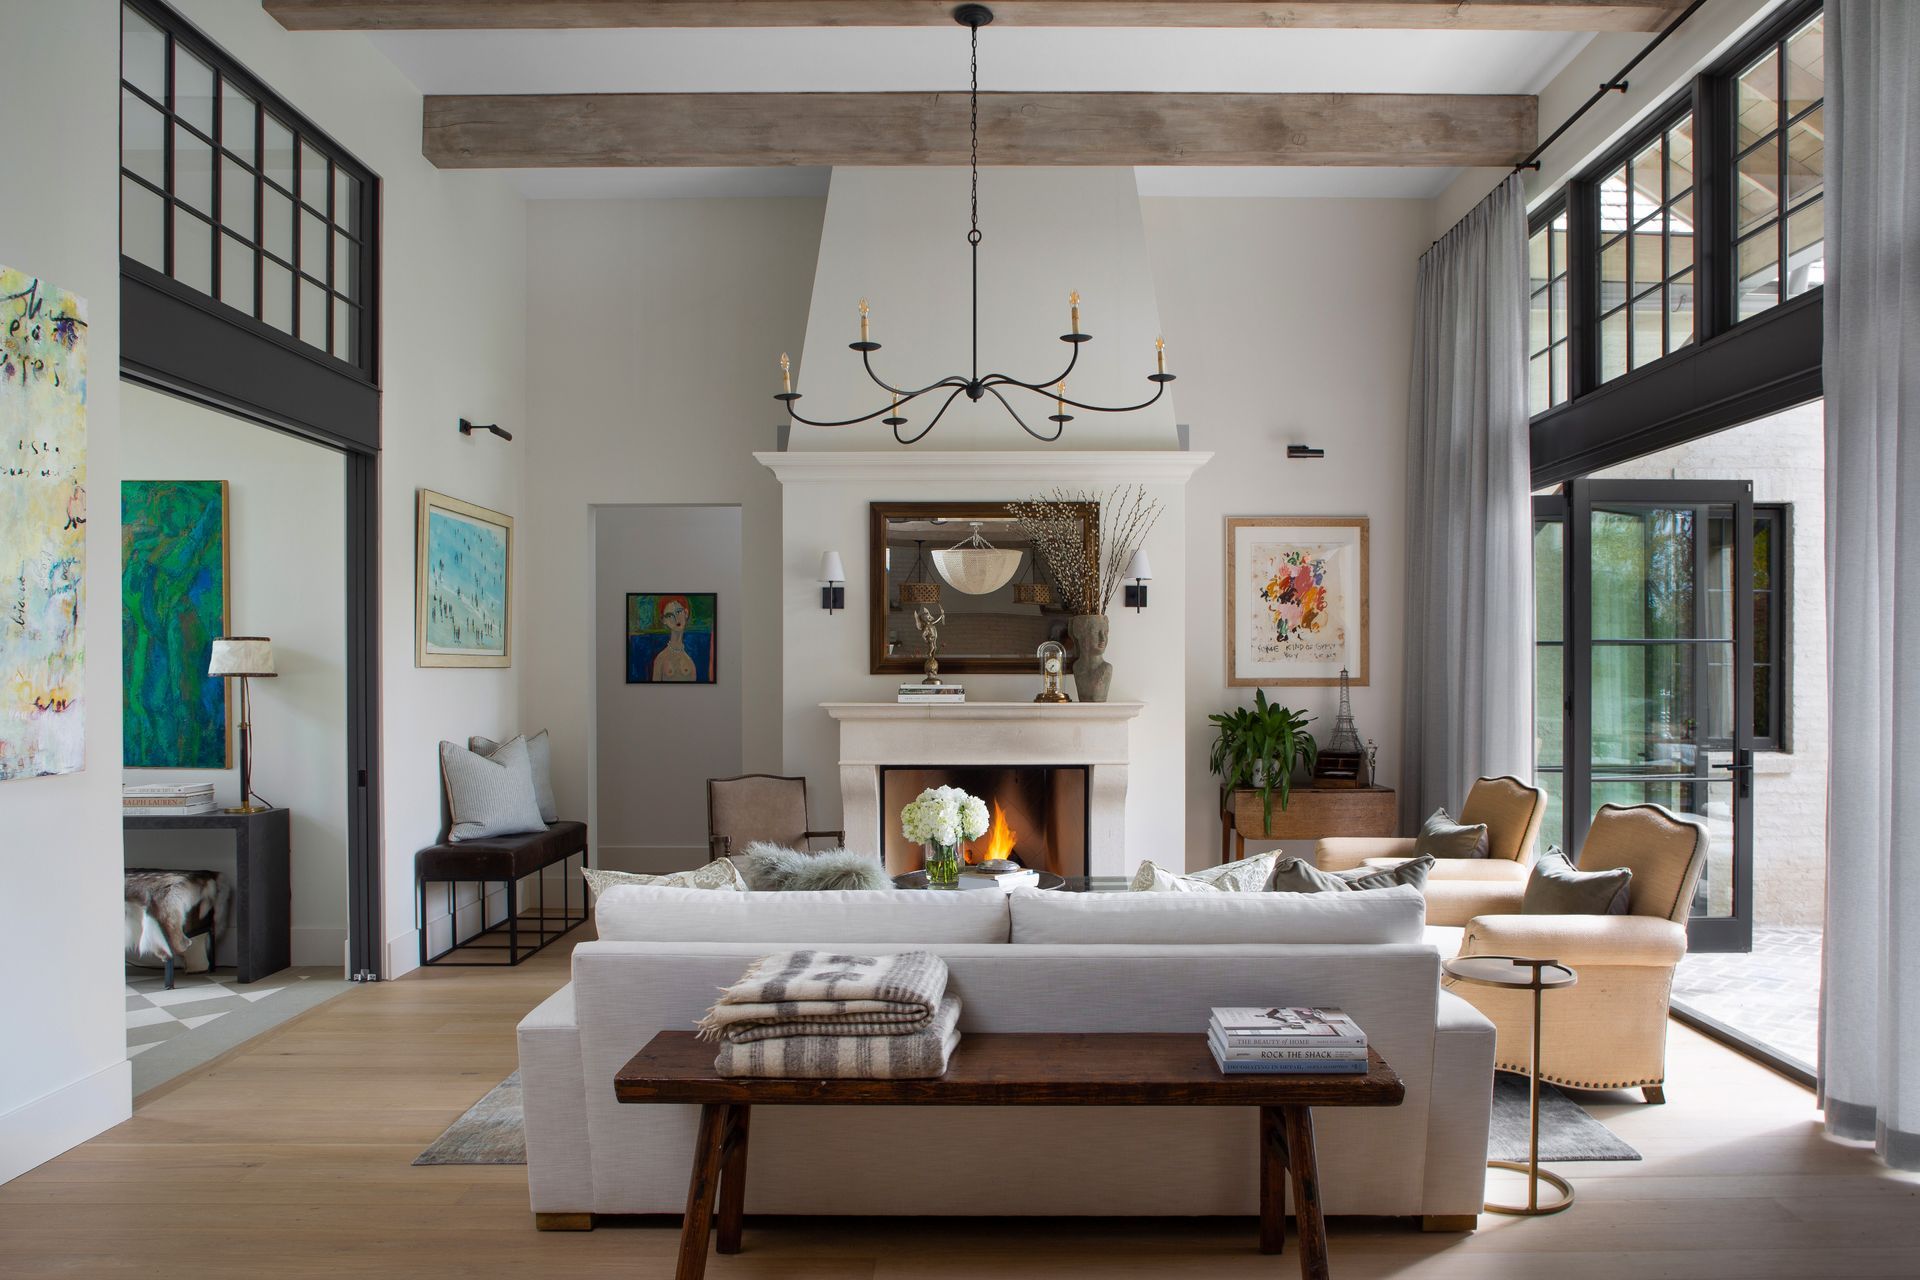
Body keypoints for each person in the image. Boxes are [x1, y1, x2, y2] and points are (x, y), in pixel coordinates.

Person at [651, 595, 698, 682]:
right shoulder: (660, 659)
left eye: (678, 612)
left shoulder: (690, 662)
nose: (676, 619)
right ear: (664, 620)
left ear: (686, 613)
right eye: (669, 615)